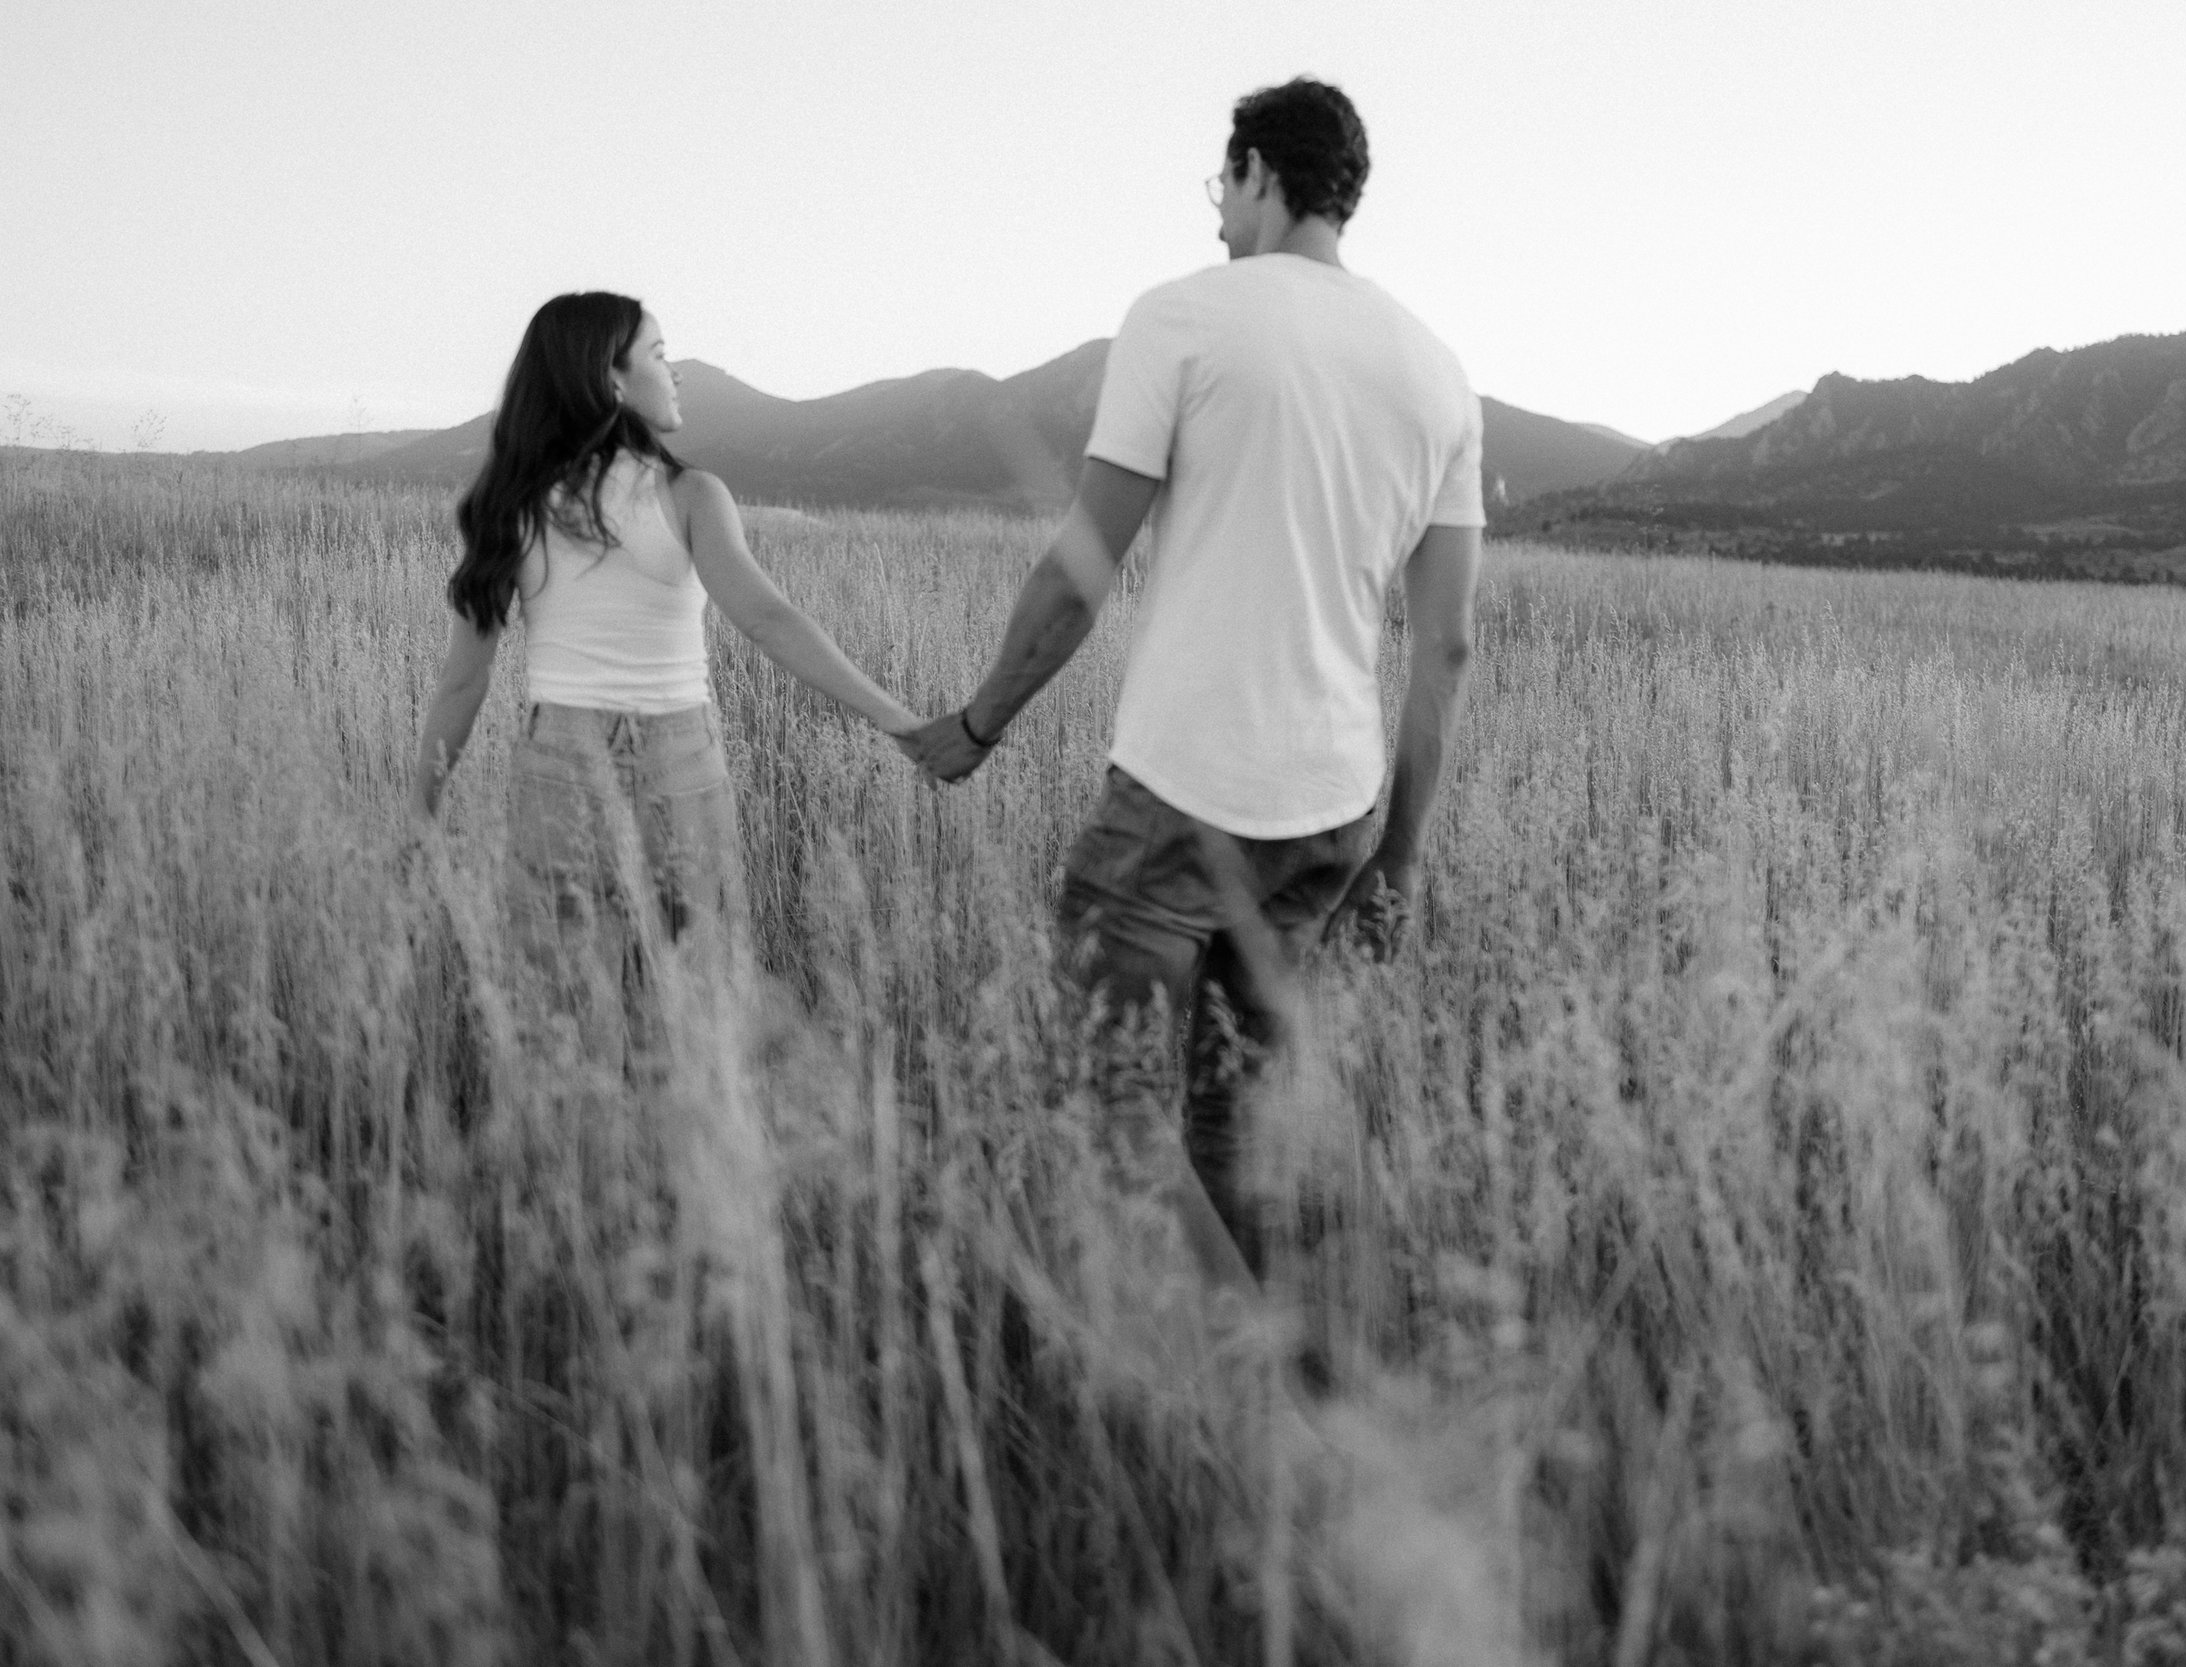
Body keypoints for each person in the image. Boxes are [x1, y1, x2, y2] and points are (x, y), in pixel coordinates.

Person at [902, 78, 1485, 1297]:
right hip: (1330, 810)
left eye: (1223, 188)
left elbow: (1076, 577)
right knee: (1229, 1126)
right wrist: (1402, 857)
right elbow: (1444, 649)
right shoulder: (1438, 376)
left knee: (1107, 1109)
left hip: (1181, 792)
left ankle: (1253, 1395)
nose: (1218, 217)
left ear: (1262, 174)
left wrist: (977, 723)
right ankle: (1255, 1417)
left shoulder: (1182, 317)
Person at [411, 291, 920, 1062]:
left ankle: (583, 1164)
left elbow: (462, 683)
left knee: (564, 1015)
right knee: (699, 1006)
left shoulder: (509, 505)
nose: (673, 369)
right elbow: (769, 619)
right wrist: (900, 720)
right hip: (679, 759)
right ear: (611, 381)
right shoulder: (689, 495)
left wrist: (419, 811)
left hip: (559, 764)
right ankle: (691, 1161)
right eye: (657, 353)